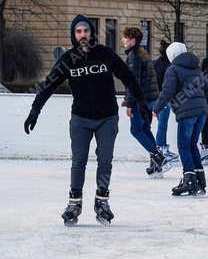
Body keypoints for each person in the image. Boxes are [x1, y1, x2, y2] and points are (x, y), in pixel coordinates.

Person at [23, 15, 148, 225]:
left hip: (107, 118)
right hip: (80, 119)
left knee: (105, 160)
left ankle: (102, 202)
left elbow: (128, 77)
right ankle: (74, 203)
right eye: (78, 32)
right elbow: (49, 85)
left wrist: (141, 102)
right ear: (74, 35)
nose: (83, 35)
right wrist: (35, 110)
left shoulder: (105, 54)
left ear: (91, 33)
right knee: (78, 161)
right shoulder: (68, 59)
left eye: (86, 31)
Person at [153, 42, 208, 197]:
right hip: (202, 112)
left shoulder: (173, 69)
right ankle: (200, 180)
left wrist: (156, 108)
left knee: (184, 146)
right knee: (192, 145)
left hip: (187, 113)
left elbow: (167, 91)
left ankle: (189, 181)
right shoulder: (196, 68)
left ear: (171, 55)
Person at [121, 26, 164, 177]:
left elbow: (133, 82)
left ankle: (158, 156)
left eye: (125, 37)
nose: (123, 40)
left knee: (136, 130)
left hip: (141, 100)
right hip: (149, 98)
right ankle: (156, 165)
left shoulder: (134, 56)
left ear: (132, 40)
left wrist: (130, 103)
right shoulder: (143, 53)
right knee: (145, 129)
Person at [152, 39, 178, 165]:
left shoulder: (156, 63)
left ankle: (161, 148)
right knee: (162, 125)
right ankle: (161, 149)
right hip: (163, 99)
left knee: (162, 125)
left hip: (158, 97)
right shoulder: (170, 65)